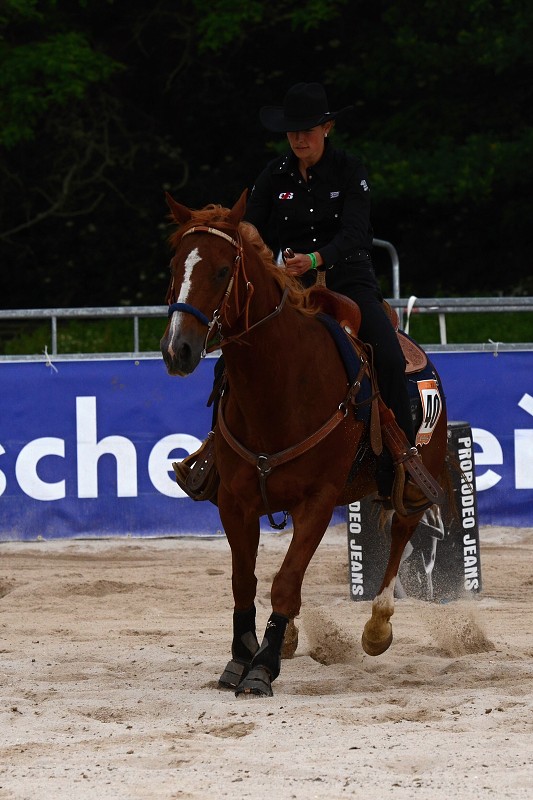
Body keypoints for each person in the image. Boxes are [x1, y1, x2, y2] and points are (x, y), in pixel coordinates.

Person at [175, 82, 435, 514]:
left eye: (308, 129)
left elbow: (356, 234)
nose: (299, 138)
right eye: (292, 131)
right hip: (291, 289)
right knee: (233, 356)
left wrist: (316, 257)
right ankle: (217, 456)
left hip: (350, 282)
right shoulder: (273, 176)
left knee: (387, 356)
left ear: (327, 127)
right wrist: (253, 249)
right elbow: (251, 227)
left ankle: (400, 466)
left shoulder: (352, 171)